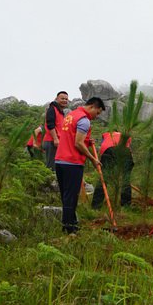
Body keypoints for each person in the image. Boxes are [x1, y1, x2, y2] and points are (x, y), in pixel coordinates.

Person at [54, 97, 105, 234]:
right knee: (71, 196)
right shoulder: (84, 120)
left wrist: (87, 141)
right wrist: (93, 158)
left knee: (66, 195)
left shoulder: (71, 115)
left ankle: (69, 223)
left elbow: (72, 137)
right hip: (72, 162)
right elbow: (78, 143)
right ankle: (70, 228)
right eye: (98, 113)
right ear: (93, 107)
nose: (96, 116)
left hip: (60, 160)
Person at [92, 131, 133, 209]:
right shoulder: (125, 136)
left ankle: (96, 206)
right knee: (126, 179)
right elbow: (129, 150)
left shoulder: (105, 135)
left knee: (103, 178)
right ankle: (126, 205)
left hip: (109, 150)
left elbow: (101, 152)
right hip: (124, 150)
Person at [42, 91, 69, 170]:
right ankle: (49, 181)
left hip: (57, 141)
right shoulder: (52, 109)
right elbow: (50, 124)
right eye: (62, 98)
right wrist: (55, 139)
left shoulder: (60, 111)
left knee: (57, 164)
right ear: (57, 99)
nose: (64, 100)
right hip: (52, 141)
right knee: (51, 166)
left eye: (66, 99)